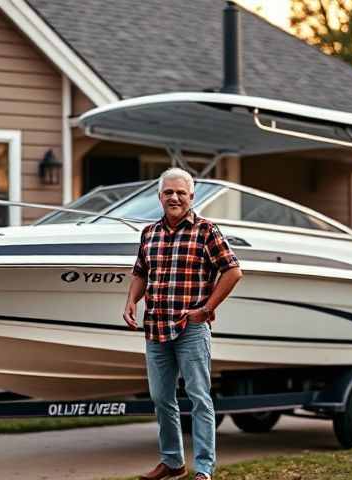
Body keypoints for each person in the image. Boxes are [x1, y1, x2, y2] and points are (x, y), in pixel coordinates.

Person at [123, 168, 243, 480]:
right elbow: (140, 272)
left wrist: (207, 307)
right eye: (168, 192)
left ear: (191, 197)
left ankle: (204, 469)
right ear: (160, 196)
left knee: (199, 397)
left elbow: (232, 271)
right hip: (155, 328)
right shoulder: (149, 233)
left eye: (180, 193)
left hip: (191, 330)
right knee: (162, 398)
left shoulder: (207, 231)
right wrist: (131, 301)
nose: (174, 197)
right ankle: (173, 462)